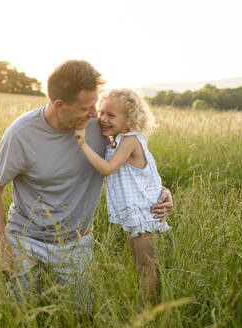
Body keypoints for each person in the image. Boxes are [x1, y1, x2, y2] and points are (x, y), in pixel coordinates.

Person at [0, 60, 173, 312]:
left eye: (96, 105)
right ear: (60, 106)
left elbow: (137, 165)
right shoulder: (21, 134)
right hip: (25, 240)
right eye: (87, 108)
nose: (95, 114)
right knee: (20, 313)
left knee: (80, 315)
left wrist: (161, 194)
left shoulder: (101, 129)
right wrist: (2, 244)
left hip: (76, 242)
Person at [74, 88, 171, 306]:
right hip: (134, 216)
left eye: (111, 115)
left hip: (144, 215)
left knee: (146, 269)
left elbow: (108, 169)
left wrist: (82, 144)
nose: (103, 119)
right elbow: (144, 178)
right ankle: (147, 306)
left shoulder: (129, 140)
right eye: (102, 113)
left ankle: (143, 312)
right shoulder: (118, 140)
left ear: (129, 119)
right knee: (141, 266)